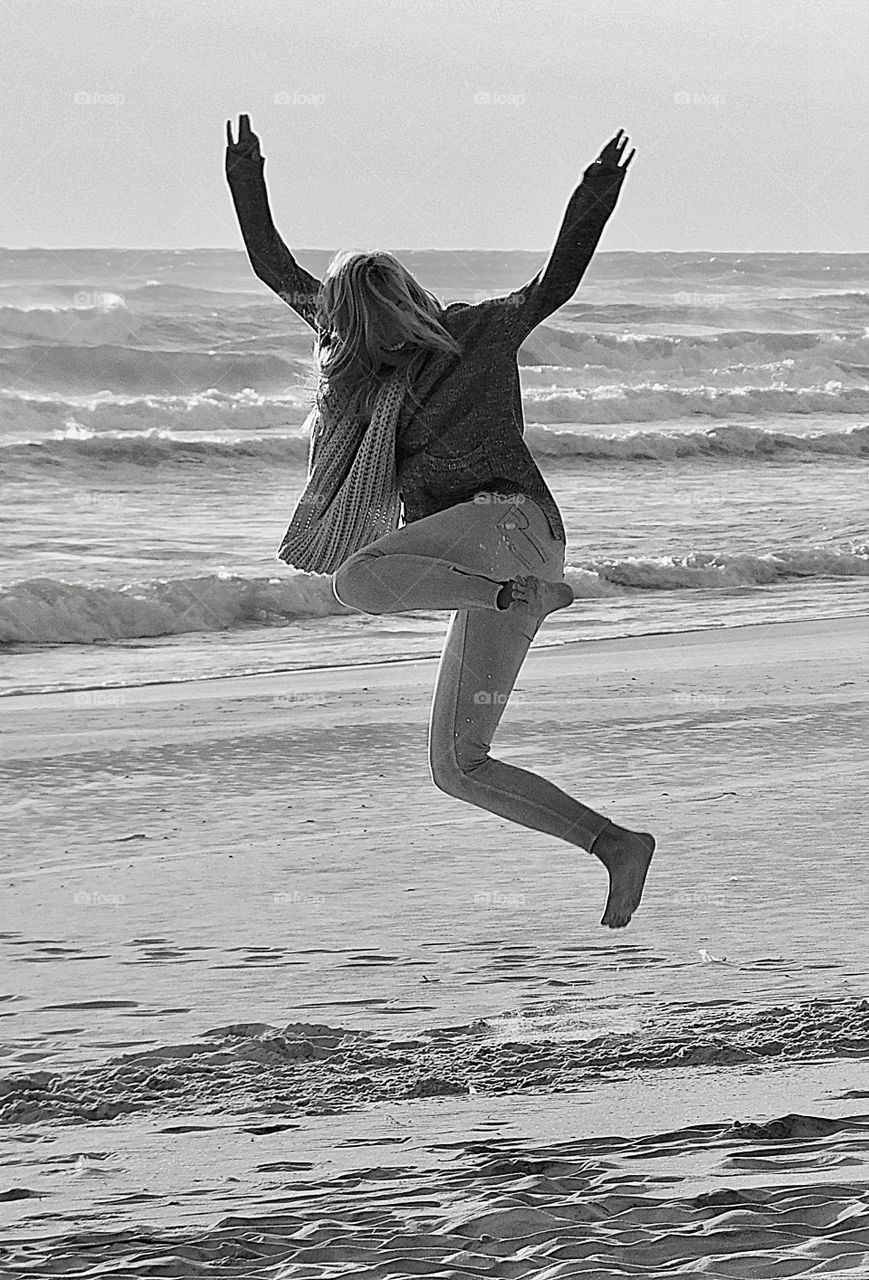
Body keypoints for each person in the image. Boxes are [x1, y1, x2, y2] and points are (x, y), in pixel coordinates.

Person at [226, 115, 655, 928]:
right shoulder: (361, 368)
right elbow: (273, 268)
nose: (364, 332)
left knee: (358, 579)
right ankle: (614, 845)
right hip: (488, 570)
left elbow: (553, 284)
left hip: (512, 528)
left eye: (371, 313)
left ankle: (524, 595)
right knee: (457, 767)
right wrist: (247, 179)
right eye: (351, 323)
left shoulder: (479, 331)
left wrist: (593, 190)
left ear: (403, 303)